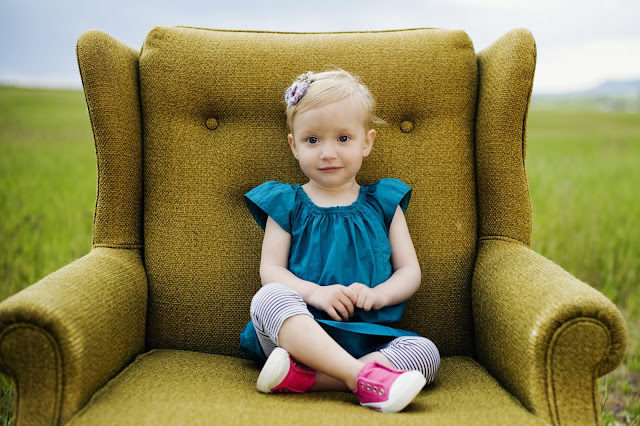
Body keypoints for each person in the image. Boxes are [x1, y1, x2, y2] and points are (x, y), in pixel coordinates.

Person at [239, 69, 440, 413]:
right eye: (312, 140)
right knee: (268, 297)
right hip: (295, 336)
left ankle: (307, 379)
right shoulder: (287, 203)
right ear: (294, 146)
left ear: (367, 142)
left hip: (367, 337)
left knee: (426, 353)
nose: (328, 153)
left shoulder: (383, 202)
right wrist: (314, 293)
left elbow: (409, 271)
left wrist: (380, 295)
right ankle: (362, 377)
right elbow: (271, 271)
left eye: (343, 138)